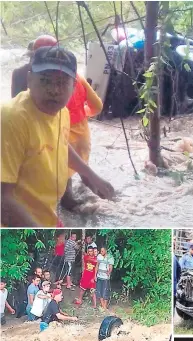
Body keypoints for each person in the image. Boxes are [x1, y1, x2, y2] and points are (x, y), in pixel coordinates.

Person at [1, 45, 115, 227]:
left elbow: (59, 144)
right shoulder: (11, 119)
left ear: (74, 86)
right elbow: (3, 199)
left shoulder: (61, 112)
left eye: (62, 82)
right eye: (45, 81)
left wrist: (88, 174)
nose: (54, 90)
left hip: (46, 216)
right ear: (29, 79)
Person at [61, 73, 103, 209]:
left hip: (63, 131)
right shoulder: (79, 78)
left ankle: (68, 200)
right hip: (82, 133)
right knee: (84, 168)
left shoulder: (48, 82)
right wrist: (84, 111)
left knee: (65, 173)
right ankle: (99, 199)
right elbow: (97, 106)